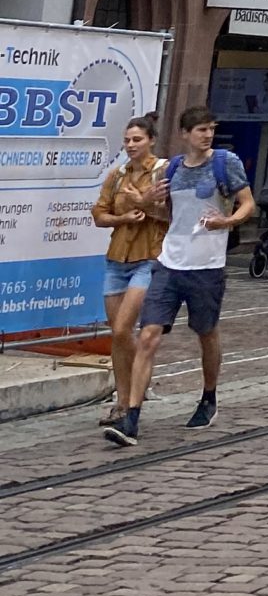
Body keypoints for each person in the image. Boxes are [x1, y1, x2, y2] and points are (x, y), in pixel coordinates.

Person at [105, 106, 256, 447]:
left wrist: (228, 222)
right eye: (201, 130)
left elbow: (248, 204)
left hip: (207, 266)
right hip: (170, 263)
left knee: (206, 333)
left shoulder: (225, 163)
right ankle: (131, 418)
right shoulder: (172, 168)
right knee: (148, 335)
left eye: (210, 129)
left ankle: (208, 396)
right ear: (185, 134)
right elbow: (162, 213)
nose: (207, 135)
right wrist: (147, 199)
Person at [90, 113, 166, 425]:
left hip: (148, 258)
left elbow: (173, 215)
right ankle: (123, 402)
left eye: (137, 139)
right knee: (118, 335)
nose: (131, 145)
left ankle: (137, 387)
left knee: (123, 328)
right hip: (116, 259)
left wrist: (145, 204)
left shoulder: (163, 172)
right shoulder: (117, 175)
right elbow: (99, 213)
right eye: (127, 140)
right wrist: (123, 218)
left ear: (151, 140)